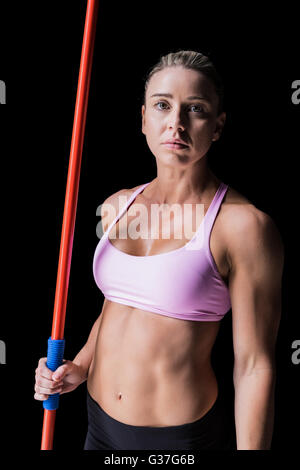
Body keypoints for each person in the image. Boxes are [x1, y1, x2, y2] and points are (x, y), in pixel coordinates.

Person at [34, 50, 284, 450]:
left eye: (195, 109)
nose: (176, 124)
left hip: (176, 441)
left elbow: (255, 366)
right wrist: (78, 366)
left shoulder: (244, 227)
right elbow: (115, 307)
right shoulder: (118, 206)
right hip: (97, 426)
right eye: (163, 105)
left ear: (217, 125)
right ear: (144, 119)